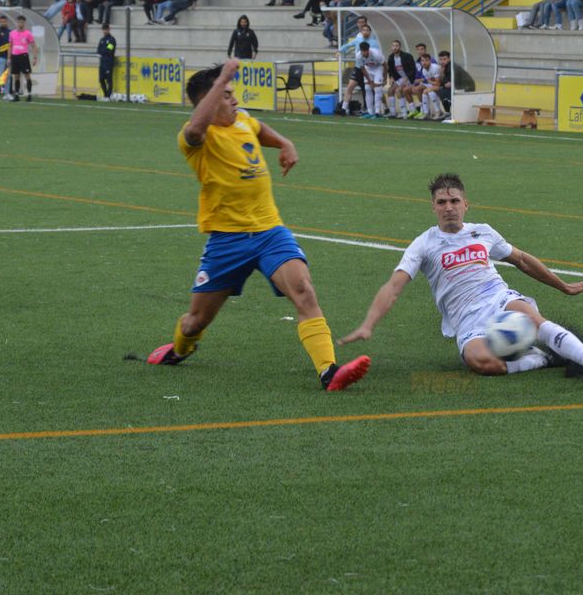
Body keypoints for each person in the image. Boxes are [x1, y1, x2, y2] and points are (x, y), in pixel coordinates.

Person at [147, 60, 372, 392]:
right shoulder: (196, 136)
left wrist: (285, 143)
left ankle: (329, 371)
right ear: (207, 102)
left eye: (233, 93)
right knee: (195, 322)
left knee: (304, 291)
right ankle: (181, 348)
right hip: (227, 241)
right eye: (225, 95)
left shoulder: (242, 121)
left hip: (270, 233)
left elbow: (257, 126)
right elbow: (194, 130)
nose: (234, 100)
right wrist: (222, 76)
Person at [339, 174, 583, 382]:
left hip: (498, 298)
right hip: (465, 319)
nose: (448, 207)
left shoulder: (483, 231)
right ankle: (543, 358)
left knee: (536, 320)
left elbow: (522, 260)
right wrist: (368, 324)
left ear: (466, 204)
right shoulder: (423, 244)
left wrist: (563, 287)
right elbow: (394, 287)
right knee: (481, 363)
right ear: (433, 207)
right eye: (441, 202)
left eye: (454, 200)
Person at [7, 14, 38, 102]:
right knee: (16, 76)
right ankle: (16, 95)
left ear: (24, 23)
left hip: (23, 56)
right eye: (19, 22)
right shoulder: (12, 33)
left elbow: (34, 46)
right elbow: (10, 46)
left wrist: (35, 58)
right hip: (14, 56)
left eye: (22, 22)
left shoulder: (28, 33)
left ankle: (29, 94)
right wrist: (9, 58)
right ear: (16, 23)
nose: (20, 24)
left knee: (27, 75)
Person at [386, 39, 416, 119]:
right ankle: (393, 113)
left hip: (409, 78)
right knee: (389, 91)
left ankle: (404, 113)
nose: (395, 47)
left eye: (397, 46)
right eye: (393, 46)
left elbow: (413, 69)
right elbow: (390, 70)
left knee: (398, 90)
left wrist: (406, 78)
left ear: (400, 47)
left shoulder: (407, 56)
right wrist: (391, 78)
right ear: (391, 47)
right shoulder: (391, 57)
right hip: (399, 79)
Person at [355, 41, 385, 118]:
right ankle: (370, 112)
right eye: (363, 51)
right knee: (367, 88)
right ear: (360, 50)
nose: (364, 53)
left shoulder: (376, 54)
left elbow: (385, 65)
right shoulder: (358, 56)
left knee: (377, 89)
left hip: (378, 68)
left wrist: (384, 77)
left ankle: (377, 112)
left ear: (369, 50)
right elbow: (363, 69)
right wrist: (370, 81)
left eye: (366, 51)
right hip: (368, 69)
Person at [412, 53, 442, 120]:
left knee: (429, 91)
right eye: (422, 60)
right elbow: (431, 82)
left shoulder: (435, 68)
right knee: (425, 92)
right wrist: (429, 83)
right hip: (435, 84)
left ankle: (439, 112)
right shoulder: (424, 70)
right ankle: (426, 113)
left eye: (426, 60)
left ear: (430, 61)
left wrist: (429, 83)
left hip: (443, 85)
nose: (424, 62)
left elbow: (438, 84)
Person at [96, 23, 116, 100]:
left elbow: (109, 50)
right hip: (102, 62)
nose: (104, 31)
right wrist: (103, 51)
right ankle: (105, 94)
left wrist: (103, 51)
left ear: (108, 29)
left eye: (105, 29)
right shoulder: (102, 40)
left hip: (109, 62)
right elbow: (98, 51)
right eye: (103, 29)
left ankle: (108, 95)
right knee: (101, 79)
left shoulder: (111, 39)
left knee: (109, 79)